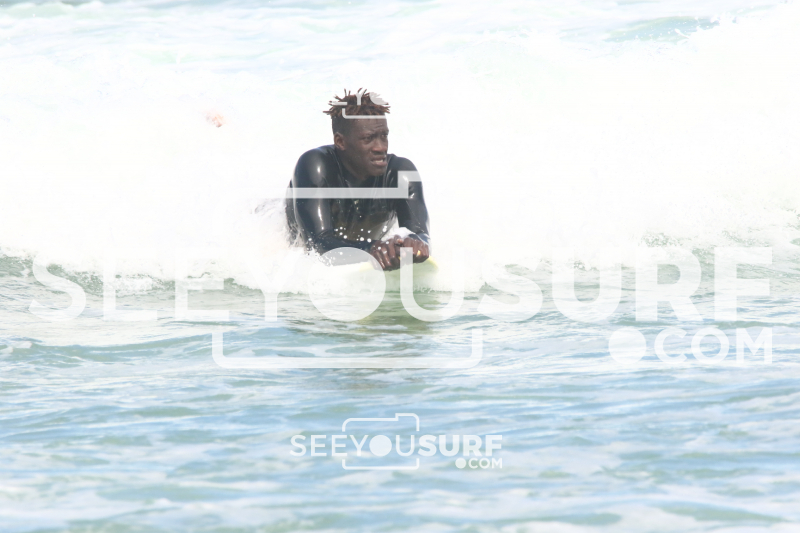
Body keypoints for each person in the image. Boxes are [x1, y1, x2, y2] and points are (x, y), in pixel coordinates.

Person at [285, 89, 431, 271]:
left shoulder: (401, 173)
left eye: (384, 136)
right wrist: (371, 249)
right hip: (289, 243)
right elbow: (317, 244)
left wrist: (415, 242)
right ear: (340, 142)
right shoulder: (315, 166)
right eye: (368, 138)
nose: (381, 147)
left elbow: (421, 233)